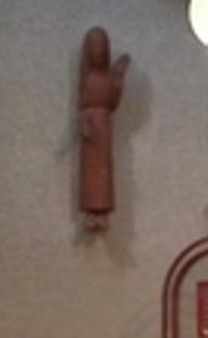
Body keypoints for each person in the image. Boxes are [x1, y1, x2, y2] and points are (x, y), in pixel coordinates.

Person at [78, 26, 130, 232]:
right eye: (94, 48)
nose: (98, 53)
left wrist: (118, 78)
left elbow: (112, 102)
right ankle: (91, 212)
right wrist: (82, 121)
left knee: (104, 172)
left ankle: (103, 212)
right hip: (91, 127)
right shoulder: (87, 77)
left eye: (101, 48)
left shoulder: (106, 77)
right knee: (90, 174)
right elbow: (82, 104)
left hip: (103, 126)